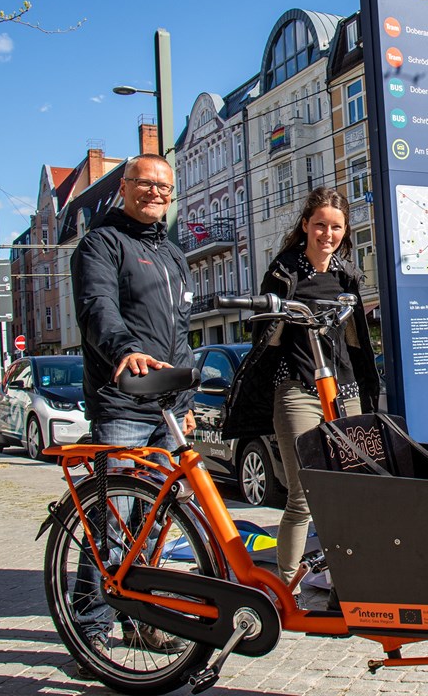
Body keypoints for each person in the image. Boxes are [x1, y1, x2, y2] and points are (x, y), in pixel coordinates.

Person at [69, 153, 196, 655]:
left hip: (166, 409)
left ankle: (140, 618)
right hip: (122, 403)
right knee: (114, 521)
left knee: (155, 525)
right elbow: (96, 309)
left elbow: (181, 334)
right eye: (145, 183)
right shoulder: (101, 243)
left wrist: (183, 400)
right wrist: (126, 352)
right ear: (125, 186)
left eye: (164, 186)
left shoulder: (173, 253)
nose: (155, 193)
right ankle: (91, 629)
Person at [224, 187, 379, 590]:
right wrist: (281, 314)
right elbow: (265, 337)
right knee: (303, 495)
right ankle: (286, 588)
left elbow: (355, 341)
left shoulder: (347, 273)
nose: (327, 234)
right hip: (296, 388)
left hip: (343, 390)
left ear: (345, 232)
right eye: (320, 225)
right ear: (306, 226)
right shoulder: (284, 269)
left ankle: (348, 577)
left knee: (353, 489)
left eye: (336, 228)